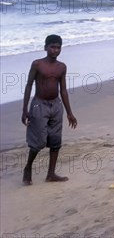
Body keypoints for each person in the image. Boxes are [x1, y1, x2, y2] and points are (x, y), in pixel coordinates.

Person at [21, 34, 77, 185]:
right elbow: (28, 85)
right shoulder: (37, 64)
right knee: (37, 142)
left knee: (55, 141)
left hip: (56, 105)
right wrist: (24, 109)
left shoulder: (62, 67)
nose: (55, 50)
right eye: (52, 47)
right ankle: (28, 167)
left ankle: (51, 174)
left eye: (58, 47)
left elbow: (63, 90)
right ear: (45, 48)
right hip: (39, 105)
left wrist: (70, 113)